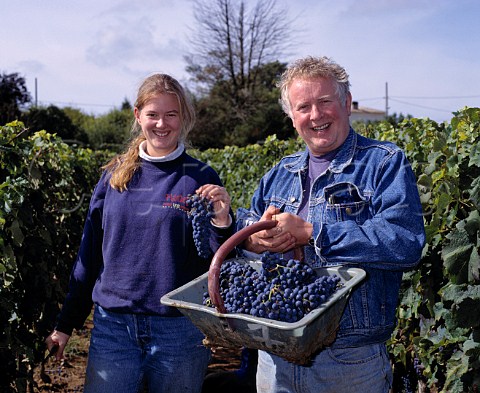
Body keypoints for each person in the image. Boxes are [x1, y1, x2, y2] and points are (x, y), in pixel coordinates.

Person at [236, 56, 426, 393]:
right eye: (304, 106)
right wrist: (254, 240)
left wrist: (312, 233)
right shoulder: (280, 173)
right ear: (292, 118)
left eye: (325, 102)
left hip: (349, 361)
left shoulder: (383, 163)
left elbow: (404, 241)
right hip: (275, 356)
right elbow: (247, 220)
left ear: (347, 103)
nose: (316, 115)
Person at [45, 73, 234, 393]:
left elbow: (214, 258)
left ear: (184, 118)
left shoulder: (199, 177)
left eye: (171, 115)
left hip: (180, 332)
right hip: (113, 330)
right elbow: (89, 254)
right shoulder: (114, 176)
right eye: (153, 114)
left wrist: (223, 220)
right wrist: (65, 325)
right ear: (138, 116)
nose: (162, 124)